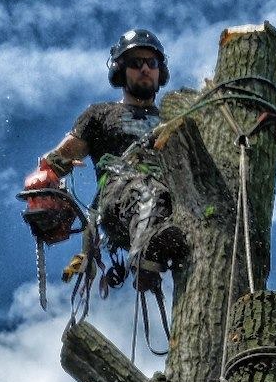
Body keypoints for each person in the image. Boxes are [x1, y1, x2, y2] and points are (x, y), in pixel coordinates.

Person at [22, 29, 183, 293]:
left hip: (174, 200)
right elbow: (60, 159)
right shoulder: (100, 115)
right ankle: (146, 256)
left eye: (151, 63)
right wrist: (44, 181)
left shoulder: (176, 121)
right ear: (120, 70)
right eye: (135, 62)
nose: (145, 69)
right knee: (145, 190)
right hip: (120, 197)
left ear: (160, 71)